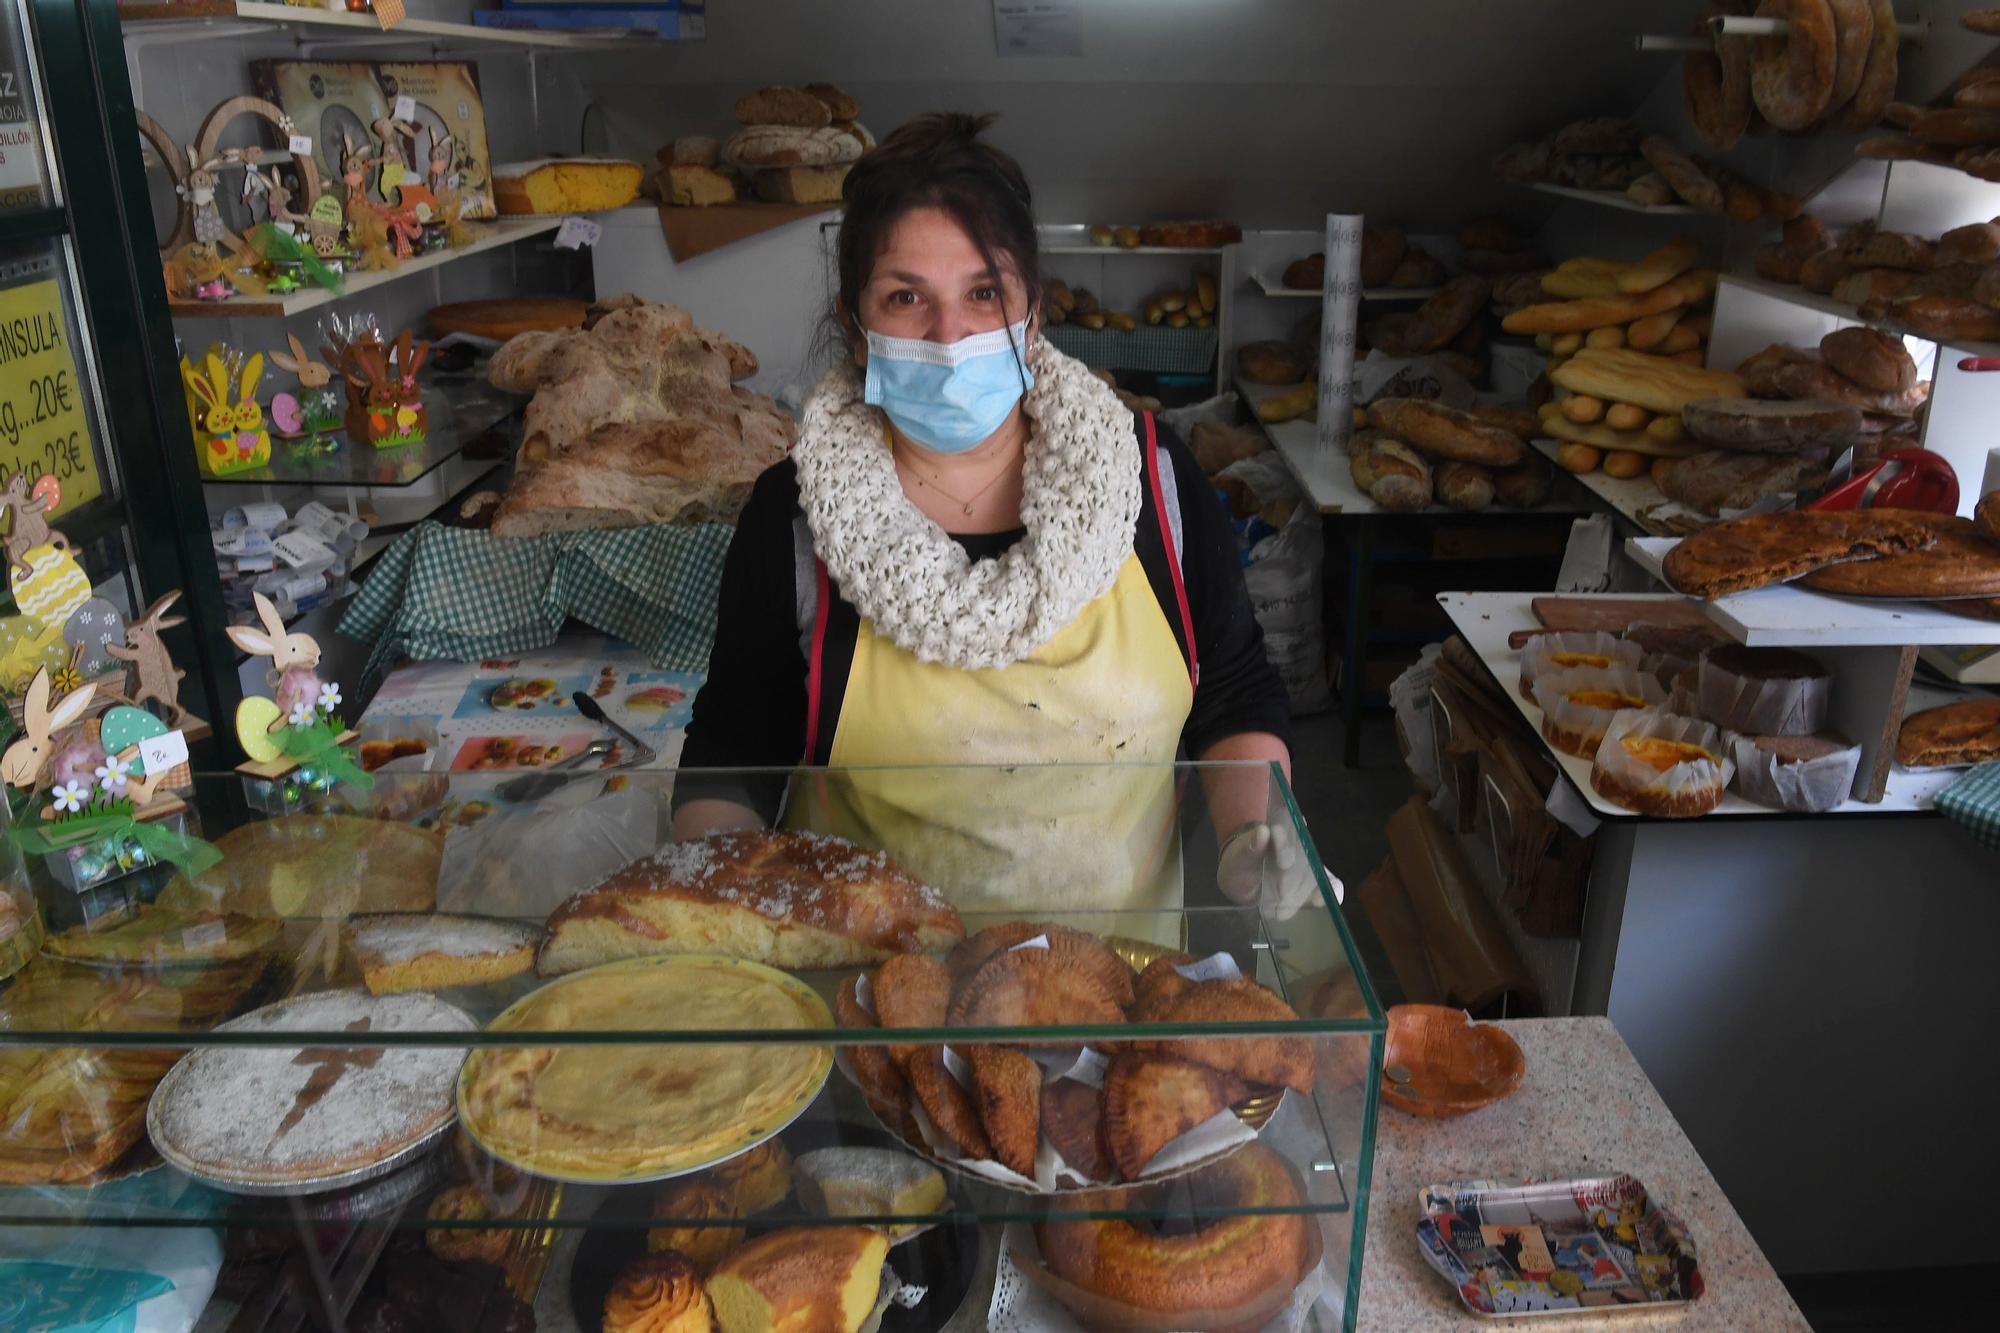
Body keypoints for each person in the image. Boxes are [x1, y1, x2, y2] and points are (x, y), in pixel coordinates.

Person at [675, 112, 1333, 921]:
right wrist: (715, 898)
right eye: (905, 296)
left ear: (1032, 312)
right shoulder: (796, 518)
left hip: (1118, 1002)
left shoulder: (1151, 481)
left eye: (983, 293)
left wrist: (1256, 838)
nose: (950, 336)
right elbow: (735, 750)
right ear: (855, 325)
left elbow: (1233, 693)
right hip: (877, 1001)